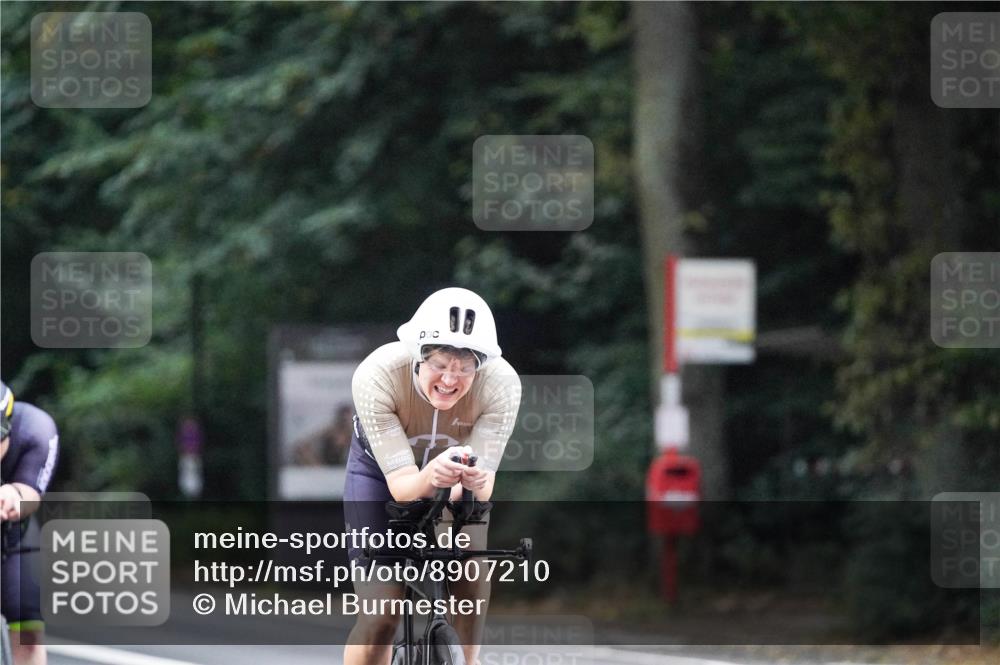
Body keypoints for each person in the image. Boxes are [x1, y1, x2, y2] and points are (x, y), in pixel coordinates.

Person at [343, 288, 521, 665]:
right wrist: (431, 478)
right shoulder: (377, 375)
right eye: (440, 363)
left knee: (471, 568)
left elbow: (483, 484)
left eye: (464, 368)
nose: (450, 379)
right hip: (381, 477)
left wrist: (461, 484)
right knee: (382, 614)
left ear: (481, 366)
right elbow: (405, 489)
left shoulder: (502, 384)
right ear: (418, 358)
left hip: (459, 479)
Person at [0, 382, 59, 665]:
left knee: (29, 632)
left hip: (14, 534)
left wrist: (14, 496)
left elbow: (31, 494)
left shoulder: (36, 428)